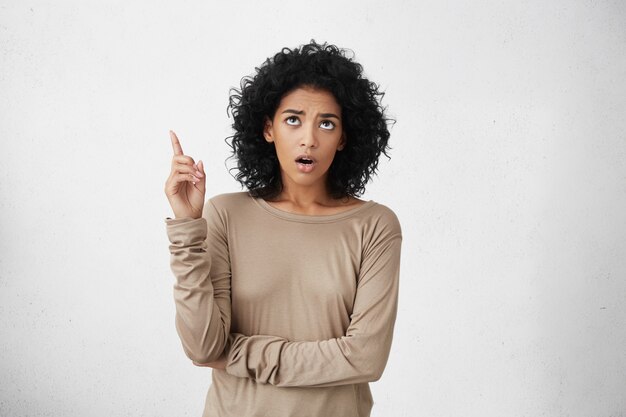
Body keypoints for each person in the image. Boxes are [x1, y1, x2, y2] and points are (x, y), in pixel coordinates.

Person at [164, 41, 403, 417]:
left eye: (326, 123)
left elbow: (365, 359)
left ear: (343, 138)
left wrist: (237, 352)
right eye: (293, 119)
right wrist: (186, 227)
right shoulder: (225, 214)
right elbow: (204, 346)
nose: (309, 138)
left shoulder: (374, 226)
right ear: (268, 128)